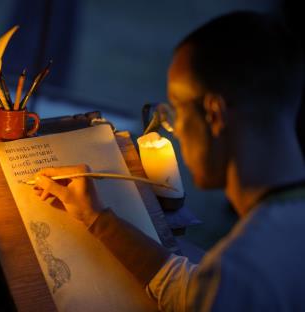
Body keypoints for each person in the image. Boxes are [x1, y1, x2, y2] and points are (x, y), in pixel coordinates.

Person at [33, 11, 305, 311]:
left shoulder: (240, 277)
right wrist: (96, 217)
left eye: (176, 109)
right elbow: (192, 292)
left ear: (214, 114)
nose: (175, 129)